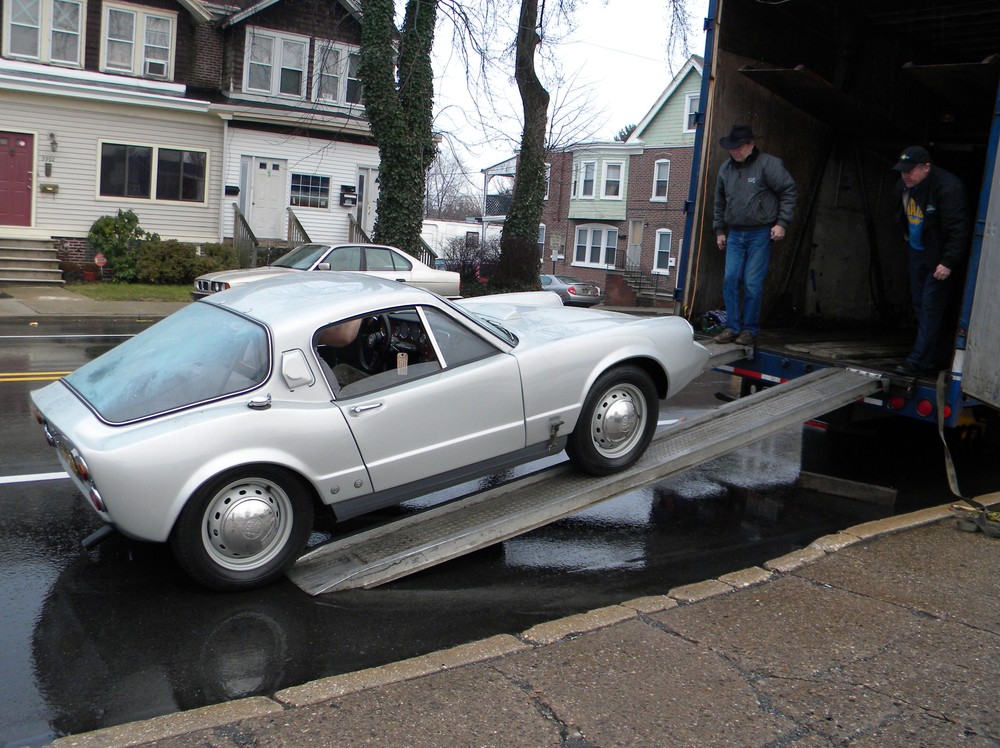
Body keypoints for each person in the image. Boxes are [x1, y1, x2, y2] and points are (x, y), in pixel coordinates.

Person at [712, 124, 797, 346]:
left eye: (740, 147)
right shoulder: (726, 169)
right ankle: (732, 327)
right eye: (732, 148)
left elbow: (788, 190)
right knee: (730, 279)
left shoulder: (769, 165)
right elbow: (719, 201)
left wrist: (782, 223)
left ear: (751, 144)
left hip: (760, 233)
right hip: (735, 233)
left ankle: (750, 329)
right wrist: (720, 230)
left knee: (752, 282)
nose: (735, 151)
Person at [891, 145, 969, 375]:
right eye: (902, 171)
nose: (905, 175)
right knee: (920, 306)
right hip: (917, 251)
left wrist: (948, 261)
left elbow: (958, 229)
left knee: (931, 306)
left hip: (939, 257)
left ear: (926, 167)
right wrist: (907, 238)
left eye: (910, 171)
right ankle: (935, 355)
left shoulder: (948, 187)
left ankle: (918, 361)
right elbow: (900, 216)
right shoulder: (902, 187)